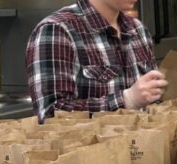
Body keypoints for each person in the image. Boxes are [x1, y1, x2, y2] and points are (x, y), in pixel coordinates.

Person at [26, 0, 166, 122]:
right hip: (89, 151)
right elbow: (50, 115)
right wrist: (127, 100)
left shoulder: (137, 29)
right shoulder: (57, 30)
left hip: (142, 148)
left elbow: (155, 101)